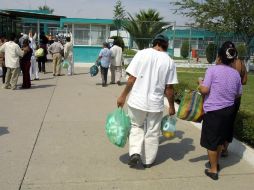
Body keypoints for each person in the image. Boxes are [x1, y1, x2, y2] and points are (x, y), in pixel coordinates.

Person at [117, 34, 178, 168]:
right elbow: (169, 88)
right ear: (166, 45)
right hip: (155, 104)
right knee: (152, 131)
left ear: (154, 43)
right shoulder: (169, 61)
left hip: (137, 101)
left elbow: (131, 79)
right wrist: (172, 107)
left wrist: (123, 96)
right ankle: (148, 161)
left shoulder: (141, 54)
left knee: (136, 126)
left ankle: (135, 153)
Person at [198, 41, 242, 180]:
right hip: (229, 110)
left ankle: (213, 169)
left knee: (211, 142)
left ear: (219, 56)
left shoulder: (212, 70)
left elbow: (205, 90)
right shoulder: (235, 74)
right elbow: (238, 94)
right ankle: (216, 163)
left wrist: (200, 83)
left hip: (214, 111)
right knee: (220, 140)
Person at [220, 57, 248, 157]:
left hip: (222, 96)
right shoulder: (240, 62)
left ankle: (218, 146)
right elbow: (244, 81)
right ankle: (225, 149)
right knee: (230, 122)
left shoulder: (221, 61)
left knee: (219, 121)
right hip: (235, 97)